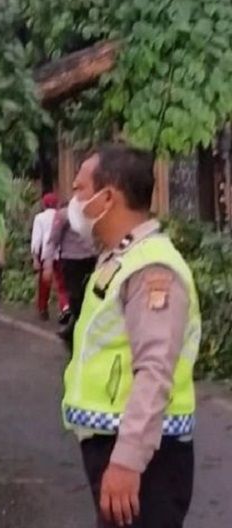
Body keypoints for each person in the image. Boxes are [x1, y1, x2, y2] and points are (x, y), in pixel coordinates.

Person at [61, 145, 202, 528]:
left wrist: (127, 459)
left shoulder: (152, 267)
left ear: (107, 198)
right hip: (121, 445)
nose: (73, 201)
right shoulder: (122, 258)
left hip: (146, 455)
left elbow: (155, 369)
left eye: (79, 189)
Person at [48, 190, 100, 345]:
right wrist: (48, 262)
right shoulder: (64, 215)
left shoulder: (94, 212)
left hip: (91, 258)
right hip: (71, 259)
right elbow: (54, 238)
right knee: (75, 295)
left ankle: (80, 326)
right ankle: (75, 326)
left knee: (89, 293)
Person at [31, 192, 70, 322]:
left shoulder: (39, 218)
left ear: (44, 204)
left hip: (44, 251)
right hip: (60, 251)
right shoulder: (62, 215)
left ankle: (43, 308)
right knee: (62, 282)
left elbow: (37, 239)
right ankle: (65, 306)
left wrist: (35, 257)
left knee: (44, 283)